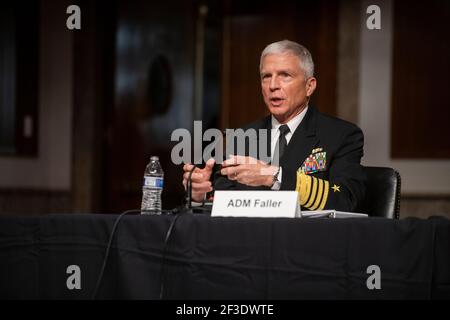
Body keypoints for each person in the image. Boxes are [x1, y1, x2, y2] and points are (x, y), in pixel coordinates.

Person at [183, 40, 366, 212]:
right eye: (266, 76)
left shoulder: (341, 135)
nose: (272, 85)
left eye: (285, 75)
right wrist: (200, 196)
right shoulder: (243, 136)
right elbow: (222, 202)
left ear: (309, 86)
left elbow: (344, 200)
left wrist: (274, 177)